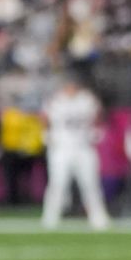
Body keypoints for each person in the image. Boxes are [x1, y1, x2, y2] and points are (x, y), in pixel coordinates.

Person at [41, 72, 109, 229]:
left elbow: (99, 116)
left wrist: (96, 132)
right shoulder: (56, 100)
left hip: (83, 147)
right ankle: (51, 217)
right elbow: (44, 117)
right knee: (58, 184)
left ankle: (98, 217)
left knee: (90, 184)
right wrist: (47, 135)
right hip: (61, 148)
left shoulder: (87, 99)